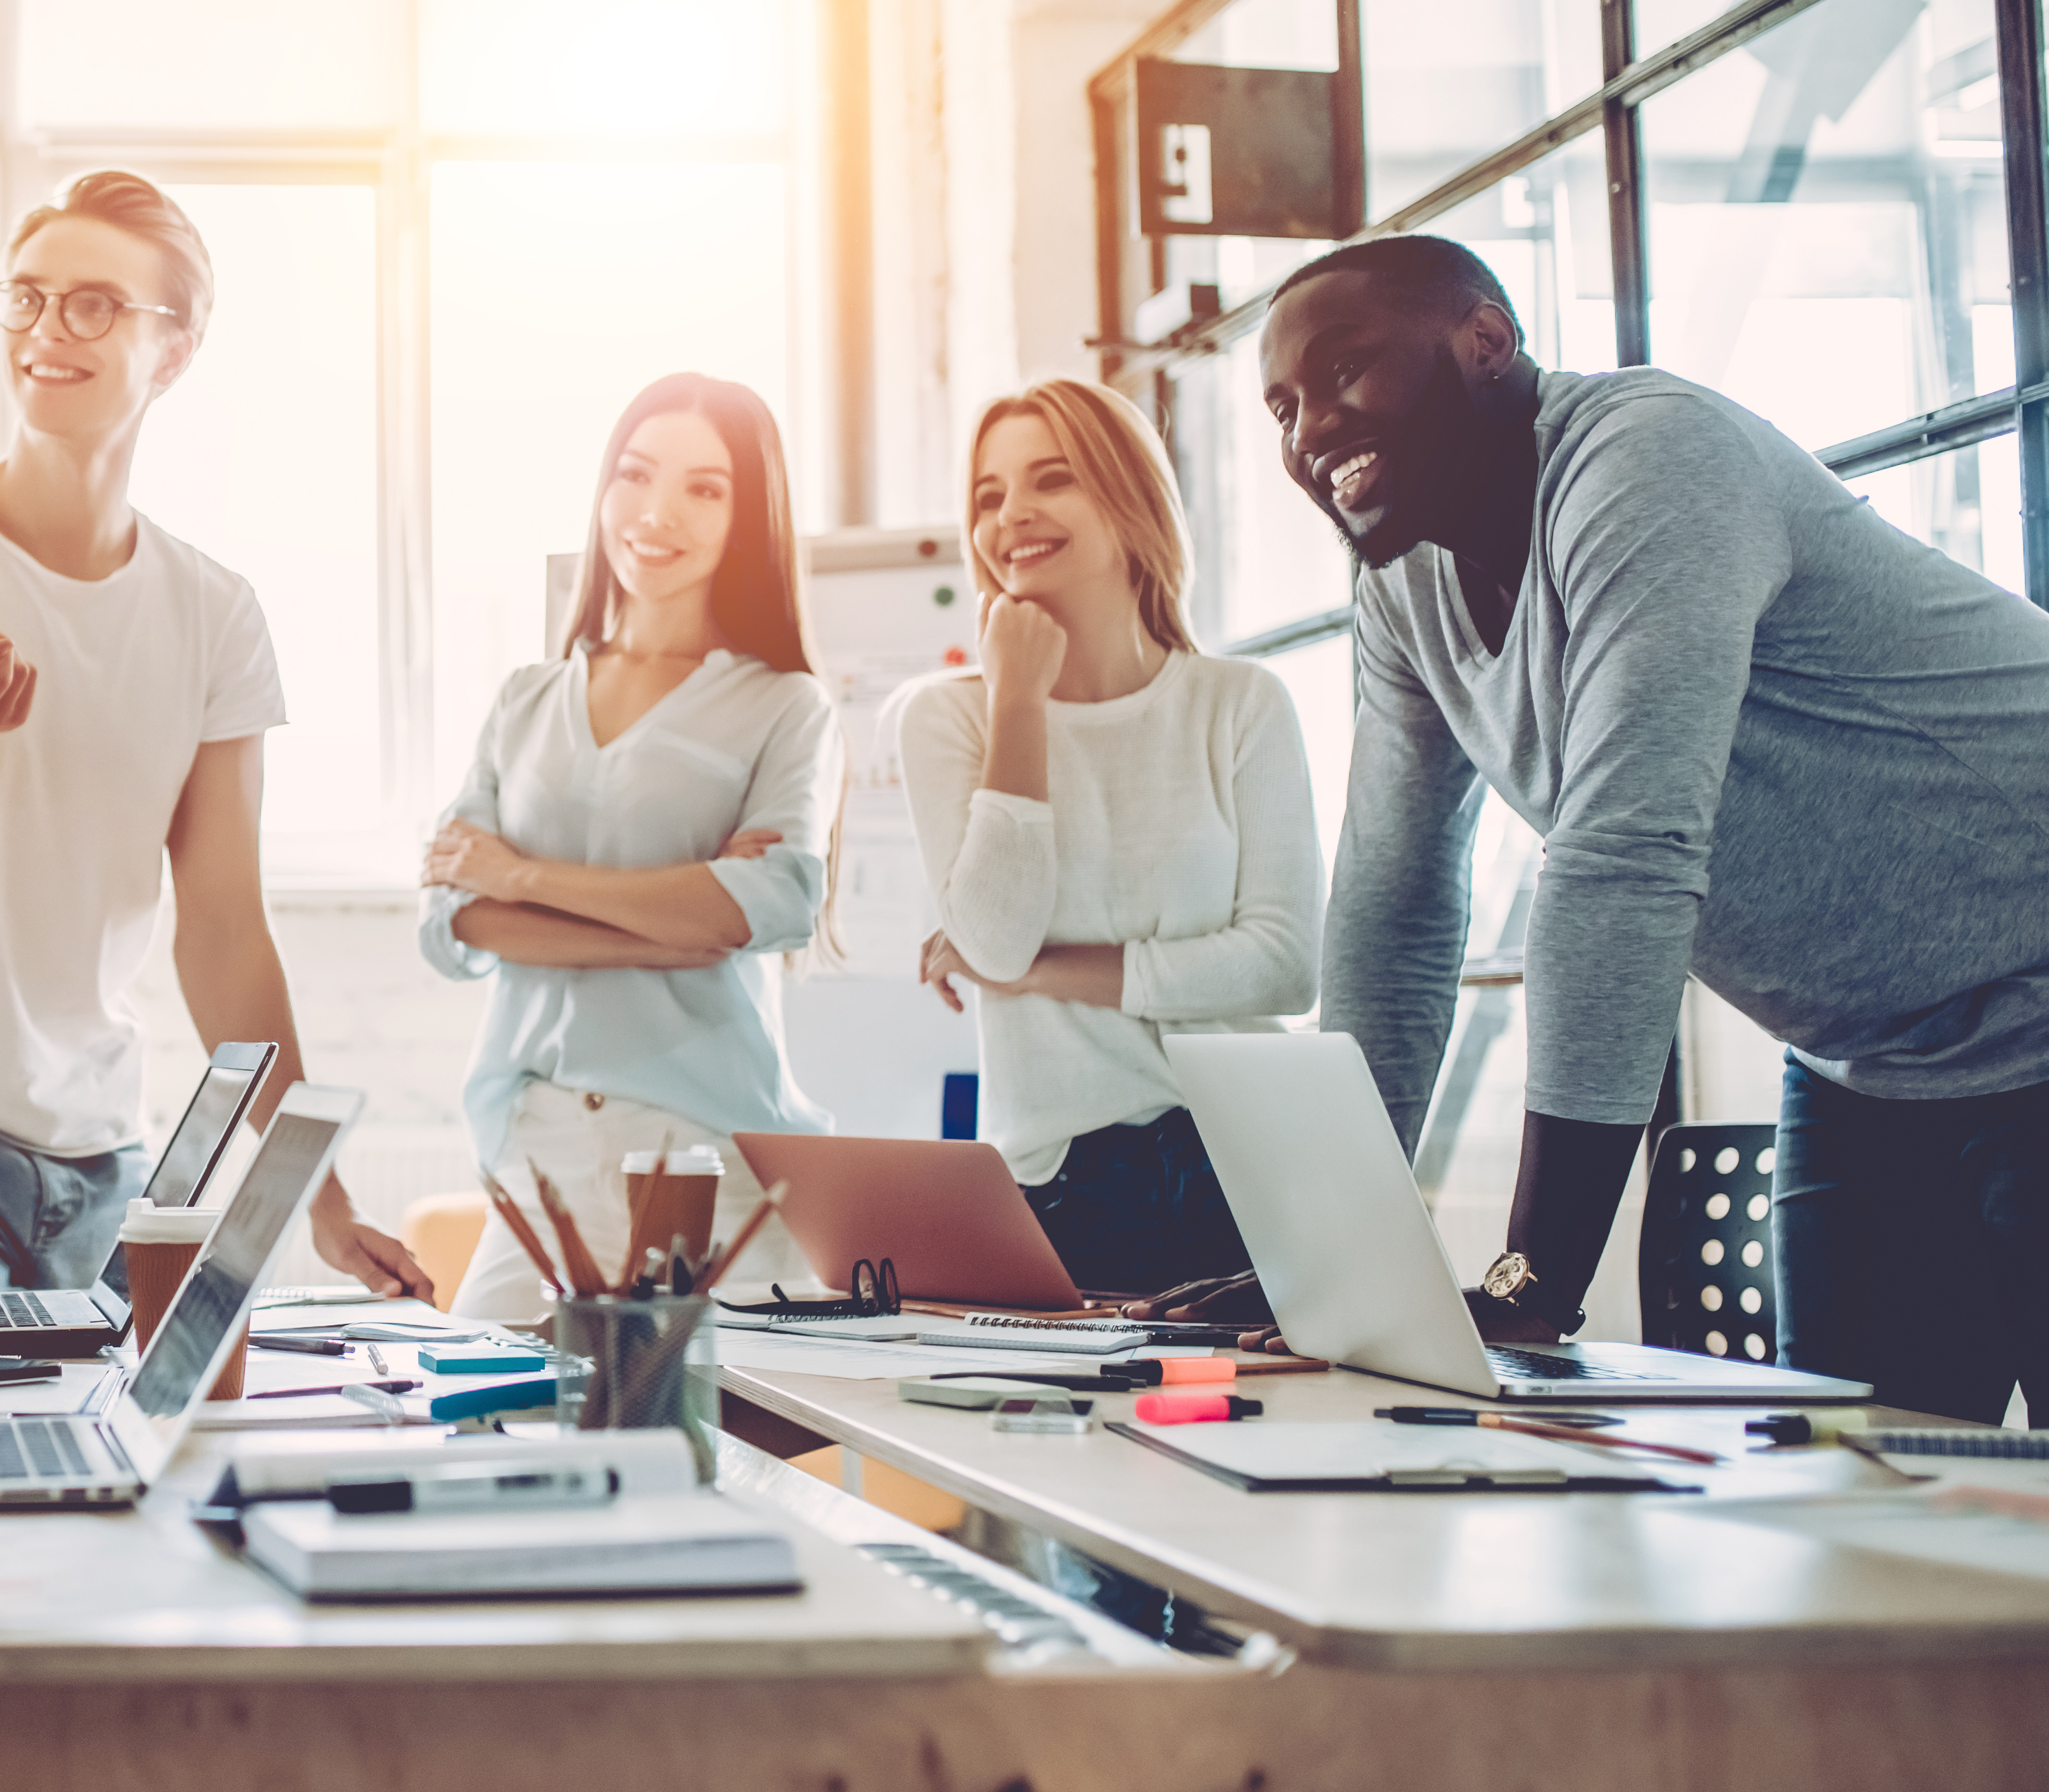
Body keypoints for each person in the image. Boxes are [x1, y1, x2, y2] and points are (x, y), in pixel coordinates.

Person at [1260, 234, 2049, 1420]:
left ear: (1485, 344)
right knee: (1860, 1514)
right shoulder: (1399, 593)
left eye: (1344, 374)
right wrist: (1327, 1269)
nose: (1310, 430)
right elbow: (1394, 902)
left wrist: (1532, 1278)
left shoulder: (1647, 459)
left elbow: (1625, 849)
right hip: (1875, 1064)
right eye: (1282, 406)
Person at [0, 171, 427, 1301]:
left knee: (124, 1456)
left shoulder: (213, 611)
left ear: (172, 352)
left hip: (101, 1154)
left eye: (92, 305)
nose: (46, 331)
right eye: (25, 299)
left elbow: (225, 934)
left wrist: (321, 1199)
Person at [419, 373, 844, 1322]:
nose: (657, 512)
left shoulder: (782, 705)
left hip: (699, 1148)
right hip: (542, 1143)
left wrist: (522, 877)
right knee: (480, 1437)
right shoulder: (525, 699)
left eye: (704, 487)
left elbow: (767, 904)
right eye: (635, 474)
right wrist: (676, 926)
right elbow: (454, 918)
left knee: (706, 1450)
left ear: (748, 515)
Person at [886, 379, 1321, 1300]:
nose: (1013, 515)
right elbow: (998, 935)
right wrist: (1016, 700)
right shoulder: (945, 720)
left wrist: (1036, 972)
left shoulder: (1237, 705)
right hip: (1061, 1191)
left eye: (1053, 479)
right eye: (988, 495)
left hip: (1247, 1167)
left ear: (1130, 500)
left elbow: (1283, 964)